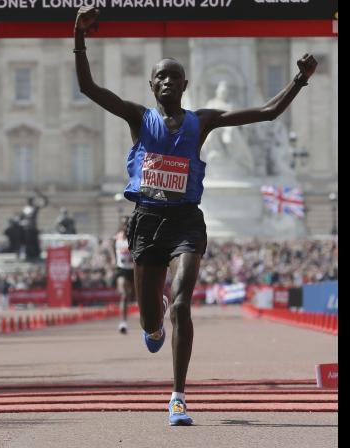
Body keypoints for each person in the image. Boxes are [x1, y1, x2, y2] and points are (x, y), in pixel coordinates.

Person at [74, 5, 316, 426]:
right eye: (160, 76)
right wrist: (78, 37)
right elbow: (89, 88)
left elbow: (267, 113)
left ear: (185, 85)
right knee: (151, 317)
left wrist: (299, 80)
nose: (167, 80)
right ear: (152, 85)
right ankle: (153, 326)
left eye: (174, 76)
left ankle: (178, 396)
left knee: (183, 304)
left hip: (187, 219)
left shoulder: (201, 122)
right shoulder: (138, 116)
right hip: (147, 219)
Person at [111, 216, 135, 334]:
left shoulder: (136, 236)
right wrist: (112, 260)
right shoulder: (117, 238)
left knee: (139, 297)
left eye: (128, 224)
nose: (126, 227)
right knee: (124, 295)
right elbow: (112, 248)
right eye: (124, 224)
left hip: (135, 270)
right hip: (122, 269)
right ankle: (123, 322)